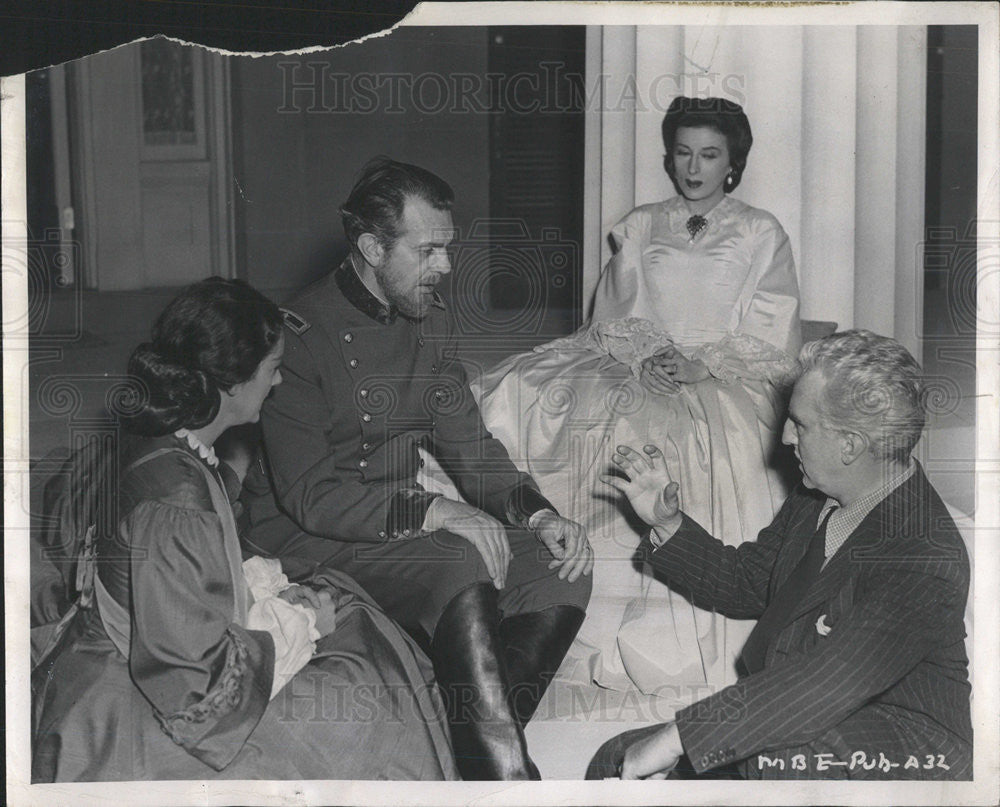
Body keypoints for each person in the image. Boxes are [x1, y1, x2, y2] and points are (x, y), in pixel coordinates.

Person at [239, 157, 593, 780]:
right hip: (308, 529)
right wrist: (436, 509)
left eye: (447, 250)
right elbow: (310, 495)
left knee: (560, 565)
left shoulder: (430, 323)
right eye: (428, 251)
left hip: (392, 513)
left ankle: (467, 750)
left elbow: (469, 444)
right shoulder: (298, 334)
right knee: (460, 558)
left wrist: (537, 513)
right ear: (373, 247)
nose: (446, 269)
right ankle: (505, 780)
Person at [32, 278, 458, 781]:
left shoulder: (169, 443)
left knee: (350, 613)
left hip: (152, 660)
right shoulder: (177, 502)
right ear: (231, 381)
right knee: (366, 692)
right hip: (131, 715)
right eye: (273, 369)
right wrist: (297, 626)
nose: (278, 384)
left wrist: (277, 604)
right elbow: (197, 694)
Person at [473, 96, 801, 694]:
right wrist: (643, 354)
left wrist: (704, 366)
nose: (694, 167)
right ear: (669, 157)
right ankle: (536, 585)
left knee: (703, 452)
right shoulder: (644, 222)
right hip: (643, 361)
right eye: (682, 153)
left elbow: (770, 334)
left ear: (733, 162)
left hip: (722, 376)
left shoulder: (760, 231)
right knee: (545, 403)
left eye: (709, 155)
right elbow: (614, 316)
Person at [586, 330, 972, 780]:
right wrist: (666, 523)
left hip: (900, 746)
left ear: (849, 445)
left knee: (742, 762)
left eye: (801, 424)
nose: (785, 436)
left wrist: (681, 737)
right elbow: (749, 582)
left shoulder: (923, 553)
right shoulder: (819, 495)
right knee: (619, 758)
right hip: (802, 720)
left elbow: (830, 679)